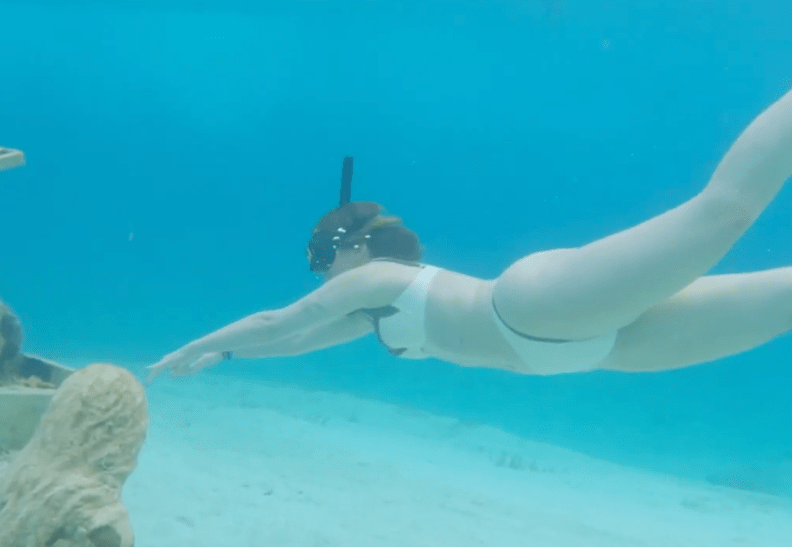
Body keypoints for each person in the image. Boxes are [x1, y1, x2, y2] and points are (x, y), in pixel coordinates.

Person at [147, 85, 792, 382]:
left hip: (534, 308)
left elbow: (278, 320)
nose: (318, 271)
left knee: (722, 214)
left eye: (322, 253)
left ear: (358, 246)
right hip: (589, 351)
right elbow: (291, 342)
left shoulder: (378, 279)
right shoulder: (372, 316)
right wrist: (224, 356)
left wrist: (189, 345)